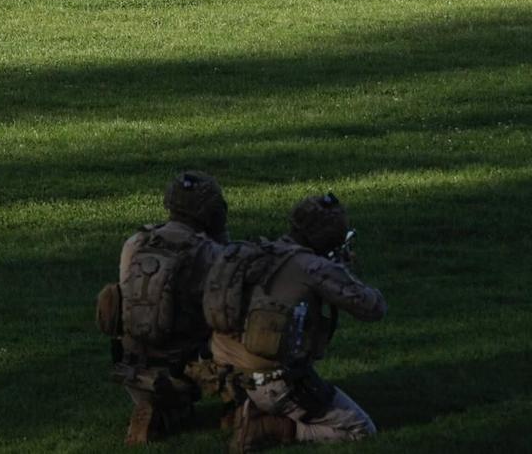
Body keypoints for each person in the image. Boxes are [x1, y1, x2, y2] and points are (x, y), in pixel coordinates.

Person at [208, 193, 387, 448]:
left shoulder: (263, 250)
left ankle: (248, 407)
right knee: (360, 429)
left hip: (230, 373)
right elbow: (373, 308)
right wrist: (341, 270)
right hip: (274, 383)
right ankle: (273, 427)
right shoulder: (314, 267)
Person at [98, 172, 235, 445]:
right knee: (239, 327)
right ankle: (236, 407)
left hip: (131, 366)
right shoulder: (210, 252)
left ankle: (155, 408)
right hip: (185, 367)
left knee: (178, 411)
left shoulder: (137, 242)